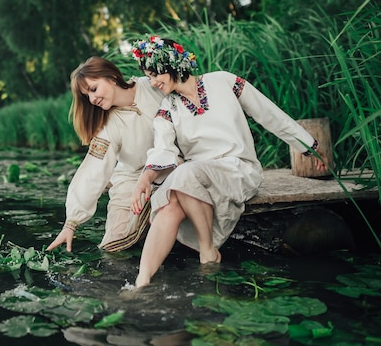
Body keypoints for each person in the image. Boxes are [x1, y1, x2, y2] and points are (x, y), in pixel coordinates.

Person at [129, 35, 328, 287]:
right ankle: (141, 281)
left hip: (238, 169)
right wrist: (144, 180)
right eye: (148, 77)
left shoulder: (224, 81)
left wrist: (307, 145)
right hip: (196, 179)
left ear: (171, 64)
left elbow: (267, 112)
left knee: (185, 175)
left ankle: (207, 251)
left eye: (155, 74)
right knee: (170, 204)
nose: (153, 82)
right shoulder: (168, 108)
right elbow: (162, 148)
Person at [46, 56, 165, 253]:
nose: (92, 99)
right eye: (87, 97)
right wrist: (71, 224)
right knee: (112, 247)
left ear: (110, 77)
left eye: (93, 89)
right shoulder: (108, 127)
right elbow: (93, 169)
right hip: (132, 178)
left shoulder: (149, 86)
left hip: (171, 165)